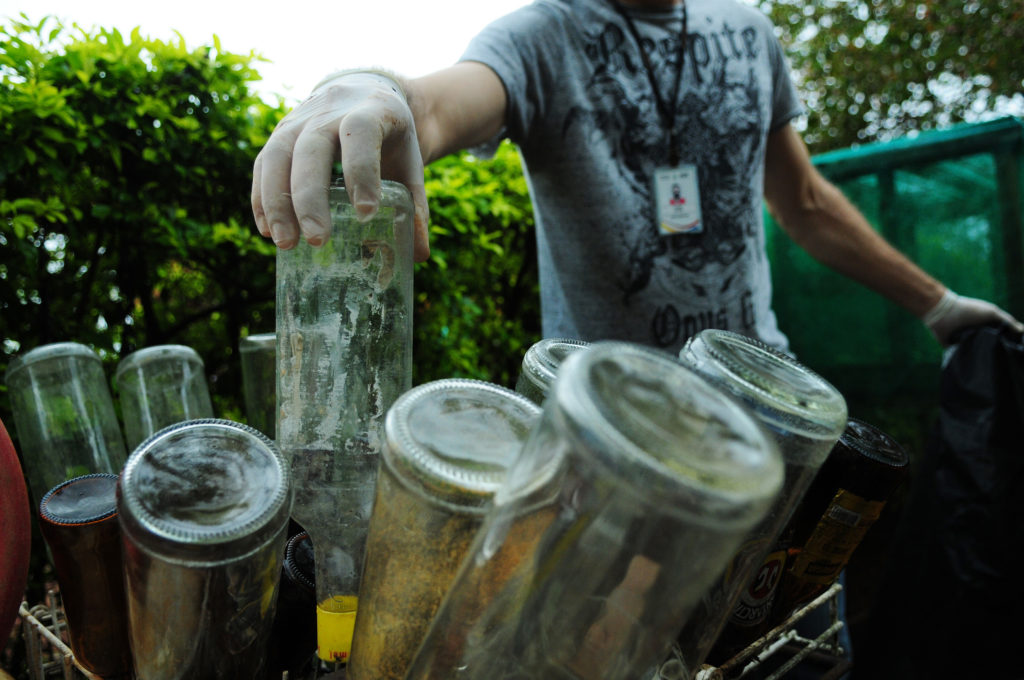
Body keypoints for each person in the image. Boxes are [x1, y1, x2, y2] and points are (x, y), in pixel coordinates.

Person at [251, 0, 1022, 674]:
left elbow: (809, 202)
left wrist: (940, 304)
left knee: (781, 649)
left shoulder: (748, 31)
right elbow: (434, 107)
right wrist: (372, 89)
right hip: (606, 481)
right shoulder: (541, 34)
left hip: (767, 450)